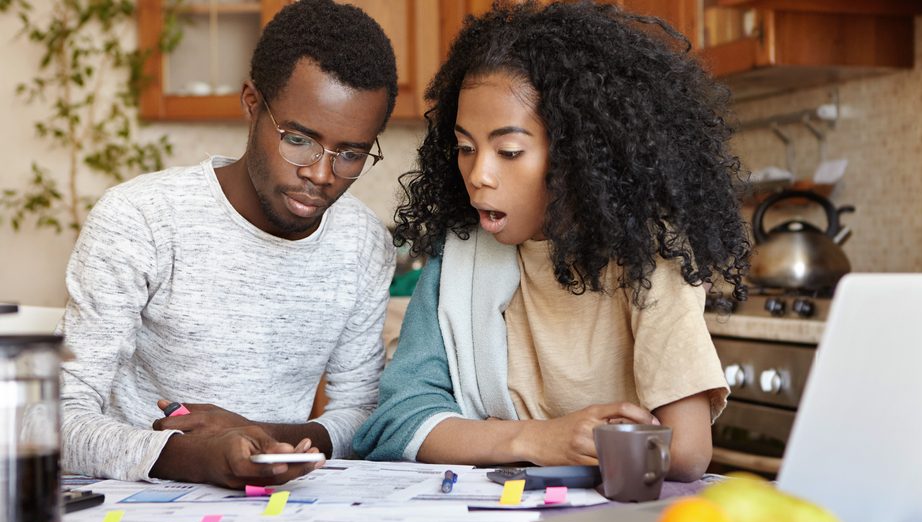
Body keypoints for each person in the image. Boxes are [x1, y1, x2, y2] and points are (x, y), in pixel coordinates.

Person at [353, 1, 751, 482]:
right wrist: (538, 439)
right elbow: (394, 422)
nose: (478, 175)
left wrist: (489, 435)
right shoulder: (459, 255)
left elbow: (686, 452)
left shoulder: (651, 258)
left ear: (577, 153)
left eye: (510, 151)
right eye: (465, 148)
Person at [58, 0, 398, 488]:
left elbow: (361, 413)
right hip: (128, 506)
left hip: (277, 508)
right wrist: (195, 457)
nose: (321, 175)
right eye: (299, 140)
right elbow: (54, 414)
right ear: (252, 104)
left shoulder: (363, 242)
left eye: (351, 153)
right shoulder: (142, 218)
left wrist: (256, 438)